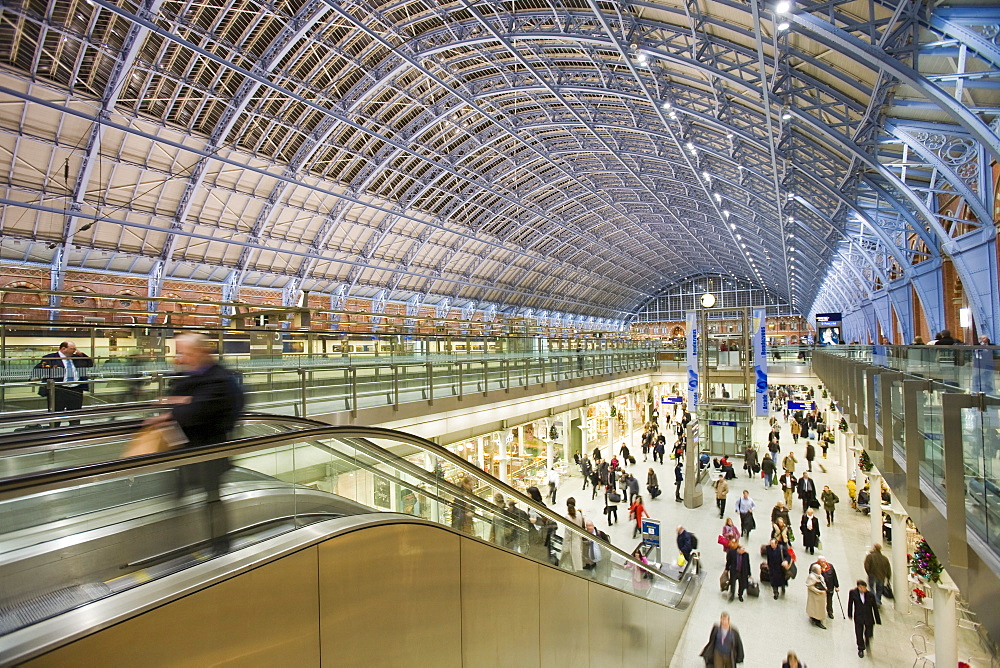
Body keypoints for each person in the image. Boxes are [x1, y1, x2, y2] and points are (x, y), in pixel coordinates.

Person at [143, 333, 245, 554]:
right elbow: (177, 400)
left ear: (201, 352)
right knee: (182, 492)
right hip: (184, 449)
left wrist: (175, 410)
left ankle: (220, 545)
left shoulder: (219, 379)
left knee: (212, 498)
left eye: (185, 353)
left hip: (210, 451)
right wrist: (180, 406)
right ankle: (177, 543)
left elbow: (195, 411)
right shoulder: (189, 375)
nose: (181, 357)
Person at [33, 341, 94, 422]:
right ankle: (55, 431)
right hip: (58, 390)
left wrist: (82, 354)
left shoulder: (77, 357)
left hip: (76, 389)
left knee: (75, 415)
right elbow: (38, 369)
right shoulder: (51, 358)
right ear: (63, 349)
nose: (74, 350)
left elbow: (90, 363)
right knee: (56, 415)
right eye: (72, 349)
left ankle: (75, 431)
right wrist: (34, 377)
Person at [847, 580, 882, 657]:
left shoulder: (870, 595)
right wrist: (850, 613)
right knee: (859, 633)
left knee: (869, 632)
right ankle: (861, 648)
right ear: (858, 587)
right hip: (858, 616)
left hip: (868, 616)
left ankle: (867, 639)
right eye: (861, 588)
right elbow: (850, 603)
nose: (863, 589)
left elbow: (874, 608)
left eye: (864, 588)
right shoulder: (853, 593)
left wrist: (877, 619)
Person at [561, 498, 586, 572]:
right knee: (577, 560)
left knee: (572, 562)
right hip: (578, 539)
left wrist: (565, 547)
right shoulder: (578, 513)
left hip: (571, 542)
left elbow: (567, 534)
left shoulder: (567, 517)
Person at [805, 563, 828, 628]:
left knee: (819, 608)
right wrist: (819, 591)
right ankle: (816, 620)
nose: (821, 569)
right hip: (815, 596)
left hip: (820, 596)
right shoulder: (812, 577)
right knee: (816, 608)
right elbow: (810, 586)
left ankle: (817, 618)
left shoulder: (819, 575)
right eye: (819, 569)